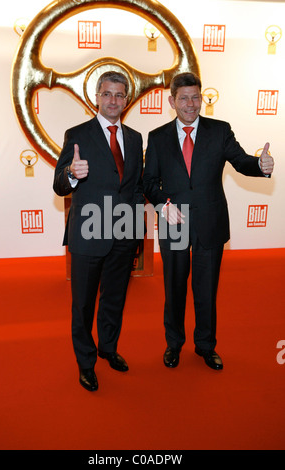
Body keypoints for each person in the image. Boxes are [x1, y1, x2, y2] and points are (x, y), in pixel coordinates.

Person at [143, 72, 274, 371]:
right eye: (184, 98)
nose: (191, 104)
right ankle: (173, 344)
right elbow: (148, 182)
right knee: (174, 289)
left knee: (206, 290)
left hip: (210, 223)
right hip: (173, 223)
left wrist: (261, 165)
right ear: (171, 101)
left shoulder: (220, 130)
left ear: (203, 98)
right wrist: (163, 204)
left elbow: (242, 161)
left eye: (196, 97)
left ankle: (205, 345)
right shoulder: (158, 137)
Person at [53, 71, 144, 391]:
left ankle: (108, 348)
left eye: (119, 95)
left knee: (114, 299)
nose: (113, 101)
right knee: (83, 304)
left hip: (123, 235)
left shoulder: (134, 138)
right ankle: (86, 363)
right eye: (107, 94)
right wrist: (71, 173)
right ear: (97, 96)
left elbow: (133, 188)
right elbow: (59, 183)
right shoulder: (76, 134)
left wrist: (135, 232)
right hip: (88, 234)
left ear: (126, 100)